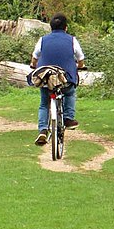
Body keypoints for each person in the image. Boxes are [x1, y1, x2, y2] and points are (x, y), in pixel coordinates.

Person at [29, 13, 86, 145]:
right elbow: (80, 58)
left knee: (44, 104)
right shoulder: (72, 40)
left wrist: (33, 65)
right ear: (66, 27)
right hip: (65, 78)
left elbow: (35, 57)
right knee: (70, 93)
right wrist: (80, 66)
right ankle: (68, 118)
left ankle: (42, 130)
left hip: (46, 78)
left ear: (51, 27)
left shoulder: (43, 40)